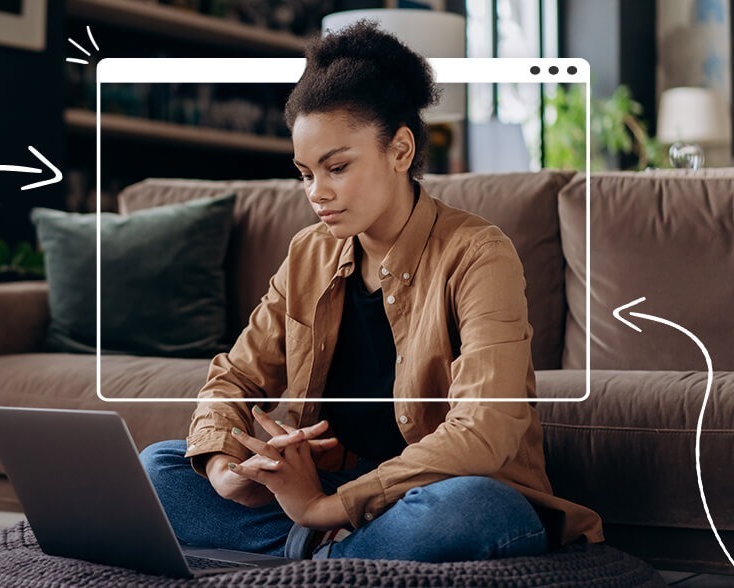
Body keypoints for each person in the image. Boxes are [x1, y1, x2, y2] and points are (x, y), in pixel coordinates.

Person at [140, 20, 603, 562]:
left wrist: (320, 506)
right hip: (340, 491)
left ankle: (309, 546)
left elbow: (484, 432)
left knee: (472, 509)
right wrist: (227, 471)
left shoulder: (479, 253)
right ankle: (336, 555)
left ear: (400, 149)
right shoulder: (308, 254)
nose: (317, 192)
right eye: (305, 173)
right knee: (160, 467)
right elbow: (235, 377)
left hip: (439, 492)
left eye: (336, 167)